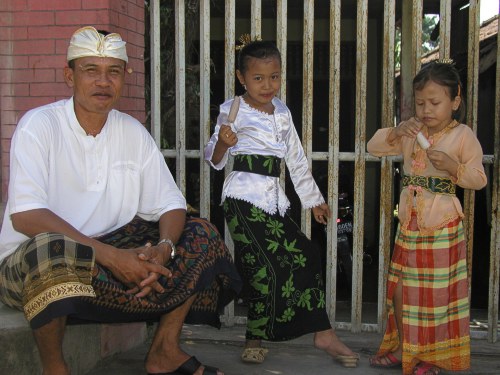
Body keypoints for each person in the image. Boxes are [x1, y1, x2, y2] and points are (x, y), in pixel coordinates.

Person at [0, 26, 242, 375]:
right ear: (69, 76)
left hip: (105, 261)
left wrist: (161, 250)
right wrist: (113, 258)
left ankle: (164, 350)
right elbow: (25, 217)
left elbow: (170, 204)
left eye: (113, 71)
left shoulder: (131, 131)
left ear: (124, 77)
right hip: (30, 266)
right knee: (50, 248)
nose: (103, 82)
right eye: (91, 71)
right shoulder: (39, 125)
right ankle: (55, 368)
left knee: (199, 233)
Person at [204, 36, 359, 368]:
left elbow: (297, 160)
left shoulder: (284, 112)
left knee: (304, 254)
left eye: (274, 77)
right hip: (241, 198)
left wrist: (313, 200)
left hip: (274, 200)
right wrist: (223, 143)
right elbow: (213, 158)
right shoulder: (232, 109)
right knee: (265, 267)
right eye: (258, 78)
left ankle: (315, 332)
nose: (267, 84)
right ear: (241, 77)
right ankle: (290, 335)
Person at [367, 60, 487, 375]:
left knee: (437, 298)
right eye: (421, 103)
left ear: (455, 101)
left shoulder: (463, 135)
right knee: (400, 290)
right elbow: (373, 146)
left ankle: (431, 359)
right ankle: (406, 350)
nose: (426, 110)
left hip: (443, 226)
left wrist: (452, 166)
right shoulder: (412, 130)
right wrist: (396, 131)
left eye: (435, 102)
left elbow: (478, 179)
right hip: (410, 224)